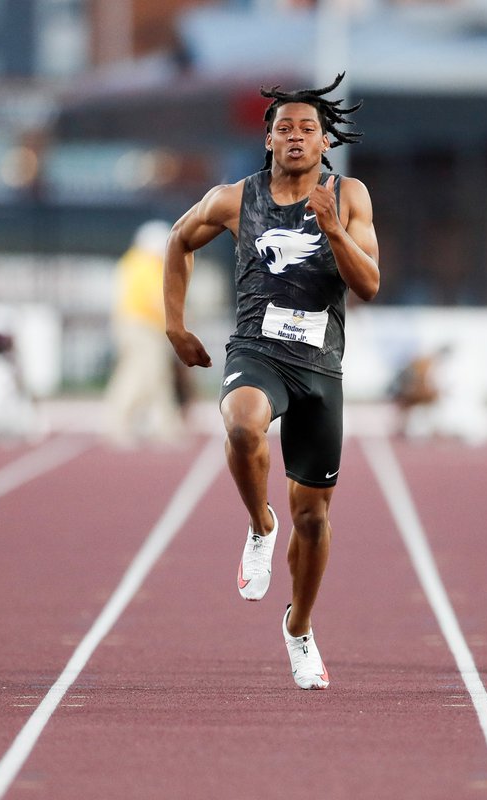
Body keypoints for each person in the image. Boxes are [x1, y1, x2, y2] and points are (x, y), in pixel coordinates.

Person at [164, 73, 380, 689]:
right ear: (267, 138)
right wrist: (176, 327)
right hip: (257, 350)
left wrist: (334, 229)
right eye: (283, 127)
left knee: (313, 520)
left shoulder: (351, 195)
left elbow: (368, 286)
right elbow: (179, 240)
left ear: (324, 141)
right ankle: (259, 523)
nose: (295, 136)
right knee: (241, 421)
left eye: (307, 128)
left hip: (319, 367)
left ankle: (299, 628)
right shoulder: (236, 198)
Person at [103, 219, 183, 447]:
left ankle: (166, 428)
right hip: (141, 326)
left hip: (136, 325)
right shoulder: (145, 264)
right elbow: (156, 299)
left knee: (156, 377)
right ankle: (118, 423)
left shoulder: (133, 262)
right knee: (140, 376)